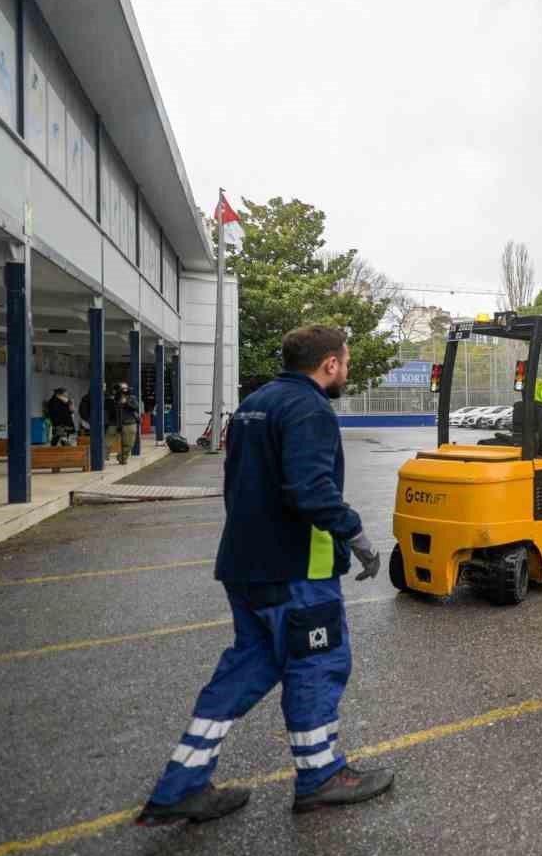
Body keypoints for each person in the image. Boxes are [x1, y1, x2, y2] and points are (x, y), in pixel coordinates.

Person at [136, 324, 393, 826]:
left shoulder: (256, 403)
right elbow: (310, 487)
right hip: (295, 569)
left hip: (245, 563)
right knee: (316, 666)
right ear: (330, 364)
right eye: (346, 360)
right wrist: (357, 536)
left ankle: (180, 786)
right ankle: (320, 777)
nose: (347, 369)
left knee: (249, 666)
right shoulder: (310, 408)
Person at [104, 381, 141, 465]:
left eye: (125, 389)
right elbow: (108, 409)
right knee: (107, 441)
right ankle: (101, 457)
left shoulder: (131, 398)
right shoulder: (112, 399)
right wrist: (113, 400)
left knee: (128, 443)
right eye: (122, 389)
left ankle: (122, 458)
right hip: (114, 422)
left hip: (129, 422)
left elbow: (135, 407)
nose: (124, 391)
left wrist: (126, 402)